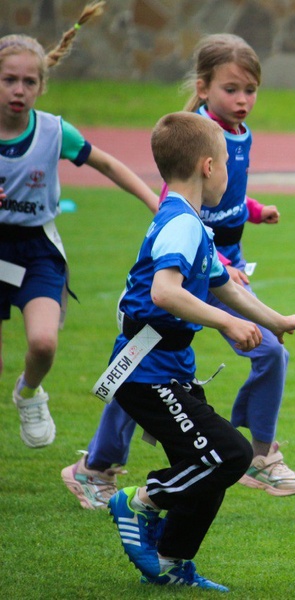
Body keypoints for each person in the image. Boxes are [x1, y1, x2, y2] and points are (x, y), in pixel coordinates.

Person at [63, 33, 295, 508]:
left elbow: (226, 199)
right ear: (203, 87)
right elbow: (186, 203)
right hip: (196, 268)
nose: (242, 100)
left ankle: (258, 455)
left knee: (261, 352)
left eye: (250, 90)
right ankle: (98, 466)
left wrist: (253, 211)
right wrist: (217, 266)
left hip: (222, 266)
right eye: (231, 89)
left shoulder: (238, 135)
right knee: (143, 369)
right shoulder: (193, 134)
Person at [104, 111, 295, 590]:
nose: (230, 173)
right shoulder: (180, 223)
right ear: (207, 166)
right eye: (225, 162)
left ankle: (171, 562)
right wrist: (228, 323)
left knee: (208, 464)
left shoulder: (193, 223)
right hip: (146, 371)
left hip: (168, 367)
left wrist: (274, 320)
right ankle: (139, 500)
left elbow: (224, 286)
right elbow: (164, 292)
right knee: (228, 456)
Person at [0, 1, 158, 450]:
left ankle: (29, 393)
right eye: (9, 79)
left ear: (41, 86)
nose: (19, 89)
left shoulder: (52, 132)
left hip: (36, 251)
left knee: (44, 344)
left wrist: (154, 201)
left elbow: (106, 164)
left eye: (29, 81)